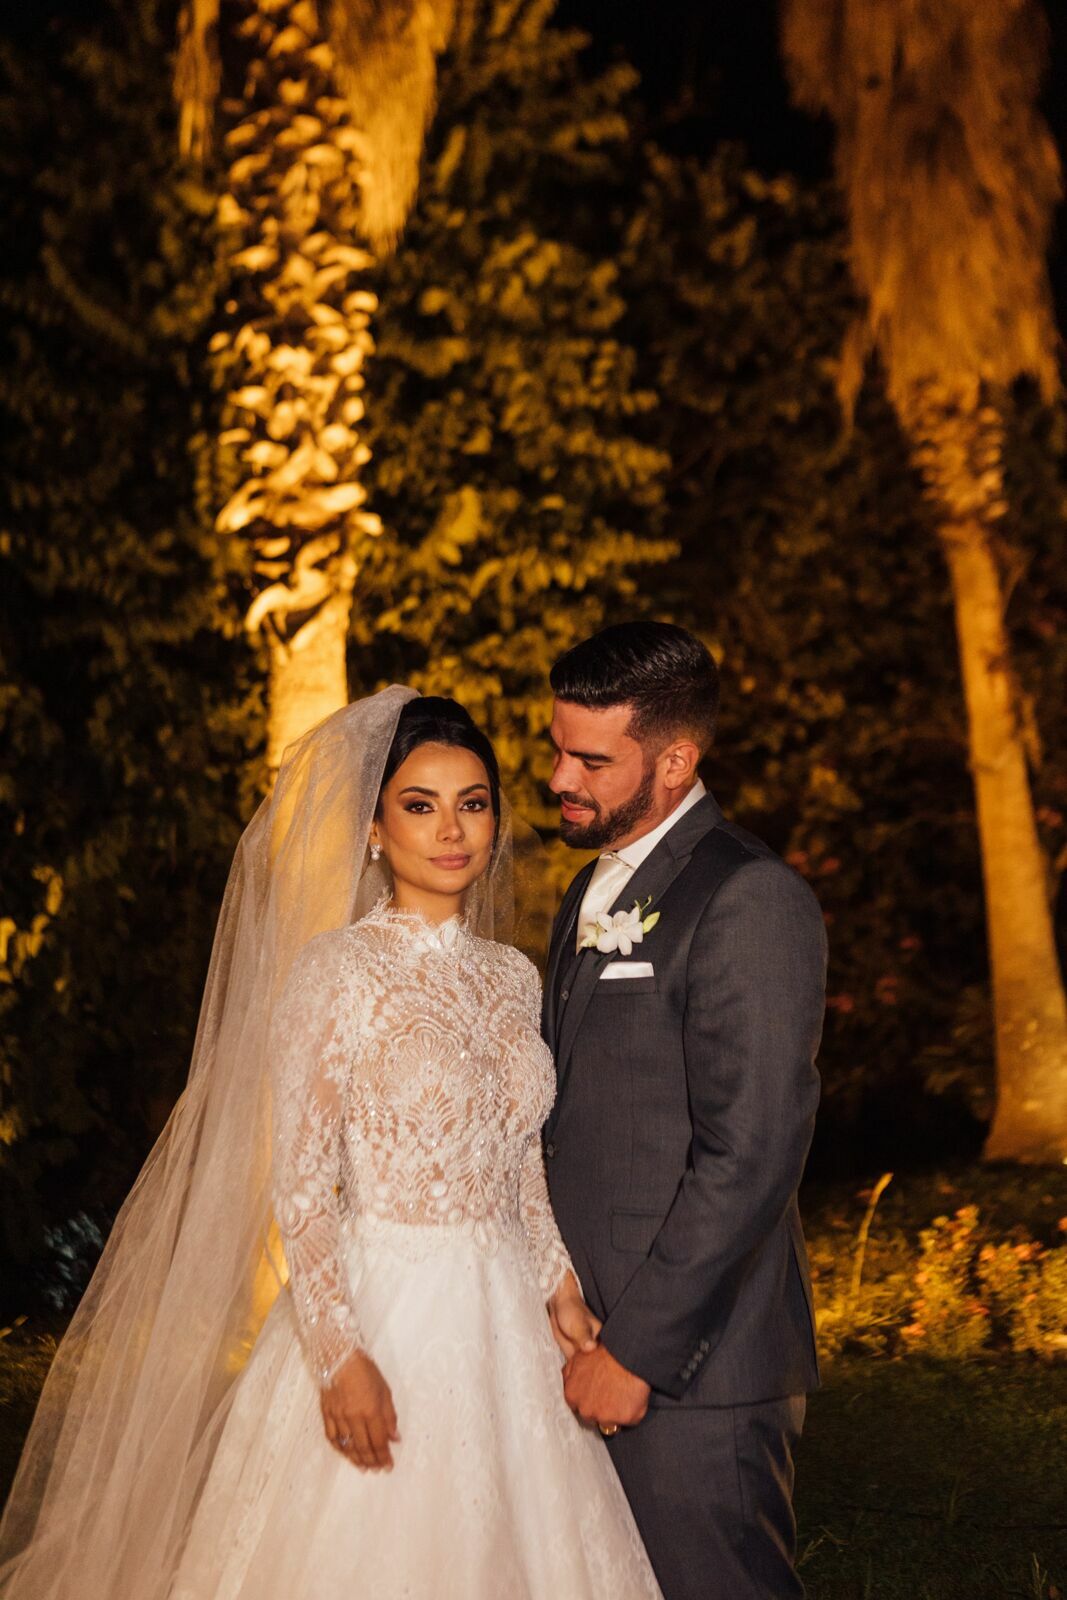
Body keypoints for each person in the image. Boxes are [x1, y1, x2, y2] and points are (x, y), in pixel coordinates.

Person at [0, 688, 661, 1600]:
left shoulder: (513, 978)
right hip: (380, 1308)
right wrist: (338, 1355)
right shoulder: (334, 971)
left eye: (472, 804)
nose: (451, 830)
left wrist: (557, 1284)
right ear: (374, 831)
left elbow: (516, 1159)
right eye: (419, 806)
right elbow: (303, 1189)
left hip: (506, 1316)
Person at [542, 623, 828, 1600]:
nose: (557, 779)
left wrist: (636, 1350)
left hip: (693, 1367)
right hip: (586, 1344)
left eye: (589, 758)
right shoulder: (582, 890)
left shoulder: (750, 897)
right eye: (554, 747)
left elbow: (750, 1153)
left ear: (674, 760)